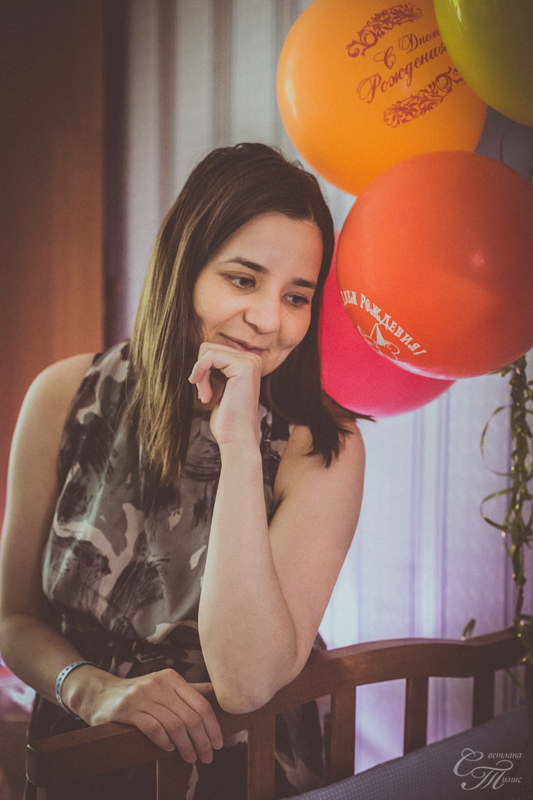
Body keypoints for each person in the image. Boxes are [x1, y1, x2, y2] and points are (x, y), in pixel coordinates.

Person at [0, 143, 365, 799]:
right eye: (243, 280)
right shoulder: (63, 396)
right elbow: (14, 619)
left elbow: (246, 682)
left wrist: (239, 445)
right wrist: (88, 688)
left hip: (244, 771)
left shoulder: (321, 446)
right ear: (183, 266)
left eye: (296, 296)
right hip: (80, 758)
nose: (269, 320)